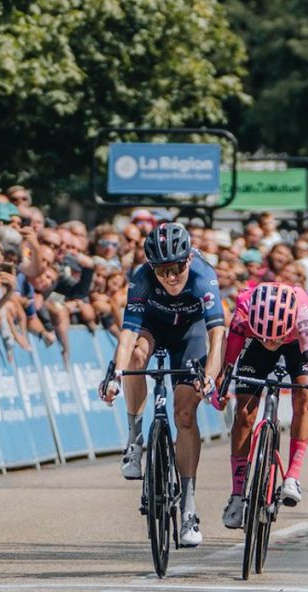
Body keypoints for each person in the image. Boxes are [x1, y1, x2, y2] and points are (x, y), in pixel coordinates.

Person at [99, 222, 225, 548]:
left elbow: (216, 335)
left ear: (188, 260)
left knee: (185, 414)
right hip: (152, 328)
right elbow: (128, 334)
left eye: (176, 268)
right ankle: (135, 438)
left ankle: (188, 508)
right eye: (162, 270)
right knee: (136, 357)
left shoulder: (203, 276)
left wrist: (209, 377)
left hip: (189, 335)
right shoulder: (141, 278)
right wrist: (116, 375)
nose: (170, 277)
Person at [212, 282, 308, 529]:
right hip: (254, 345)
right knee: (244, 413)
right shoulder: (244, 311)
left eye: (276, 339)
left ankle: (292, 476)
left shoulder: (302, 313)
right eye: (267, 338)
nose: (272, 343)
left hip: (295, 343)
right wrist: (220, 389)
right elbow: (227, 365)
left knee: (305, 396)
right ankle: (237, 495)